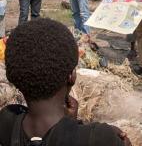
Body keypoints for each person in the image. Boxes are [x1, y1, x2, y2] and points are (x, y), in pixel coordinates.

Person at [0, 18, 131, 146]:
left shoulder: (7, 121)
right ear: (72, 76)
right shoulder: (99, 137)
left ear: (12, 77)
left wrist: (68, 123)